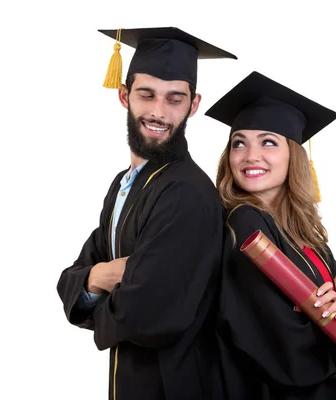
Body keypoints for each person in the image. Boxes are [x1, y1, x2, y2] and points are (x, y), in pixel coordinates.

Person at [56, 27, 236, 400]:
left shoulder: (188, 193)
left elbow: (151, 309)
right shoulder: (124, 184)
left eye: (174, 98)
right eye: (146, 94)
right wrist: (105, 274)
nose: (158, 111)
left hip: (179, 385)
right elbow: (73, 277)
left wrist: (103, 282)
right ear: (124, 96)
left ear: (194, 104)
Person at [205, 71, 336, 399]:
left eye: (268, 142)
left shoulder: (304, 232)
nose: (249, 156)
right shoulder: (243, 224)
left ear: (294, 154)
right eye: (238, 143)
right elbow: (286, 343)